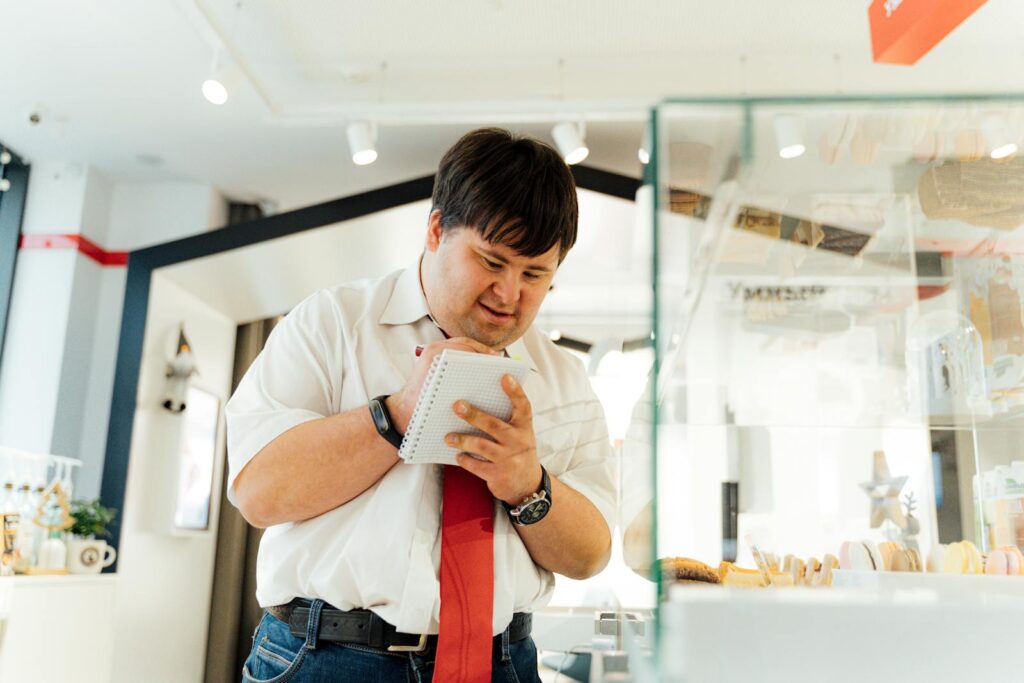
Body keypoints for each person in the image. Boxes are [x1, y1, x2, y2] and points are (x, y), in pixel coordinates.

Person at [226, 128, 616, 682]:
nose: (509, 294)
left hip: (501, 661)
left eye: (535, 274)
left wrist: (531, 485)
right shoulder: (332, 323)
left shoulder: (565, 378)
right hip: (326, 659)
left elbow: (590, 555)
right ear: (436, 229)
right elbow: (257, 494)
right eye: (491, 261)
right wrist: (399, 413)